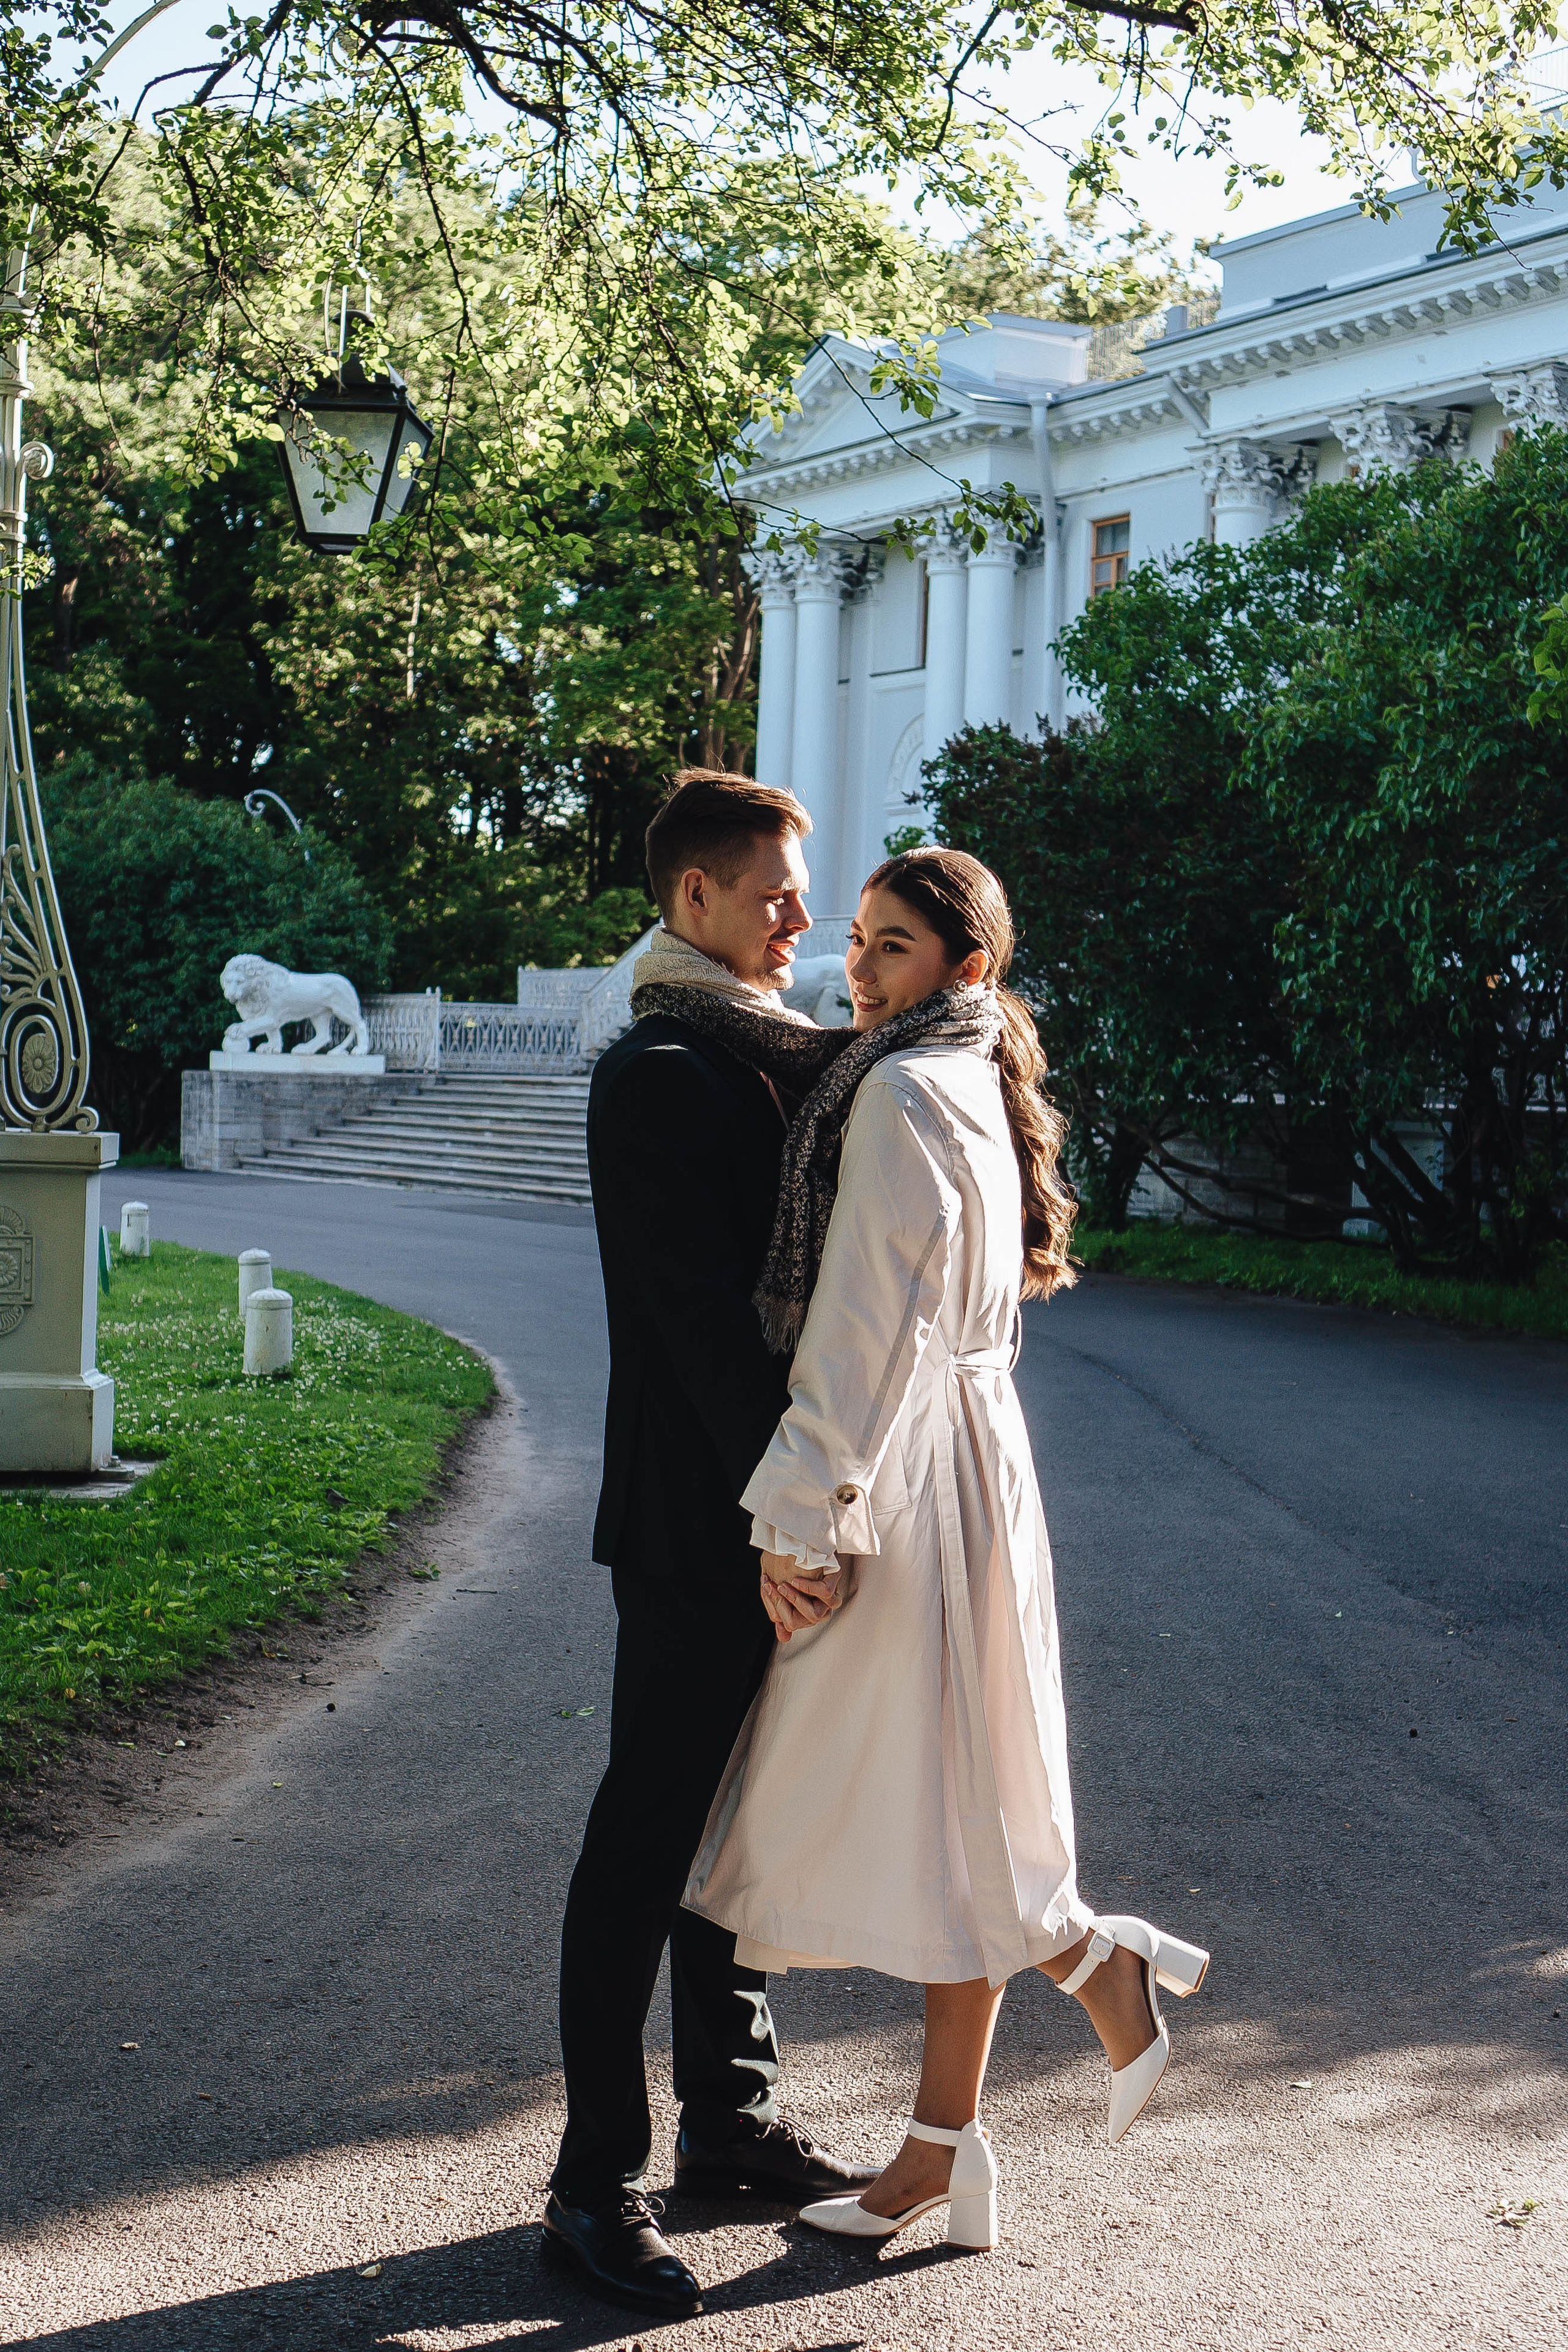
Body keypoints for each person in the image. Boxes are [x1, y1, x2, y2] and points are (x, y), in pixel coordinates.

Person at [683, 845, 1211, 2251]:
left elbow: (864, 1331)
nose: (853, 969)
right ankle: (978, 2105)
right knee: (951, 1799)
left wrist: (800, 1516)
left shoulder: (905, 1089)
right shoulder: (962, 1074)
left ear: (964, 969)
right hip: (966, 1457)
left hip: (908, 1470)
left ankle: (1053, 2007)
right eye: (853, 941)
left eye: (892, 947)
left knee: (924, 1803)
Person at [543, 772, 876, 2321]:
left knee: (743, 1833)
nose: (798, 916)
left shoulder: (778, 1063)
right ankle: (593, 2183)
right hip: (701, 1529)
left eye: (800, 892)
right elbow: (696, 1335)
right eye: (771, 893)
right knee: (648, 1840)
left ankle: (728, 2123)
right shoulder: (660, 1071)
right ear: (693, 901)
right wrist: (779, 1513)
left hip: (774, 1511)